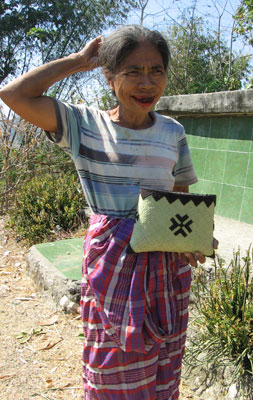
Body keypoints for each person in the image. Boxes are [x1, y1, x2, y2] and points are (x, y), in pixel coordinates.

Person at [0, 25, 217, 400]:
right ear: (109, 75)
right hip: (111, 267)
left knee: (165, 359)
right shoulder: (84, 125)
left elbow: (180, 200)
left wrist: (194, 237)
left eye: (157, 71)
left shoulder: (173, 133)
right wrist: (78, 61)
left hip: (165, 267)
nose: (146, 83)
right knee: (110, 361)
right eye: (132, 71)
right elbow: (14, 95)